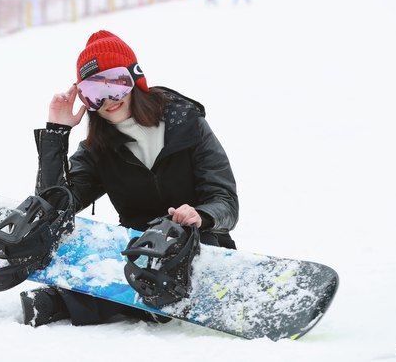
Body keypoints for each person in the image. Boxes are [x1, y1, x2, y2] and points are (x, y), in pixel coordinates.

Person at [21, 30, 239, 327]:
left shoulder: (187, 125)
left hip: (201, 243)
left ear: (135, 78)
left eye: (115, 85)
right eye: (95, 93)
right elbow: (54, 208)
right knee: (122, 259)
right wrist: (56, 133)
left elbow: (225, 201)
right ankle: (127, 300)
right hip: (137, 253)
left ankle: (78, 302)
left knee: (172, 253)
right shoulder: (98, 149)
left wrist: (200, 215)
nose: (109, 100)